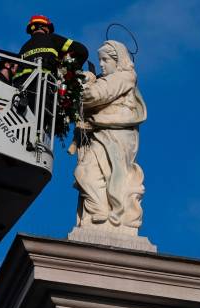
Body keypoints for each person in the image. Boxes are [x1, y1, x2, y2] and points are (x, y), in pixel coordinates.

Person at [70, 40, 147, 230]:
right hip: (104, 134)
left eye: (105, 60)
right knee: (87, 173)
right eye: (100, 60)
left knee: (95, 174)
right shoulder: (112, 78)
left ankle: (108, 213)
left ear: (117, 60)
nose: (102, 64)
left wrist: (79, 86)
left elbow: (95, 96)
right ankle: (101, 211)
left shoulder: (124, 77)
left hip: (115, 136)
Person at [15, 15, 89, 84]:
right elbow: (82, 50)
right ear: (43, 27)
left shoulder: (23, 48)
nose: (49, 30)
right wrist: (73, 68)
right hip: (43, 82)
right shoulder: (52, 38)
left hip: (21, 84)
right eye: (48, 27)